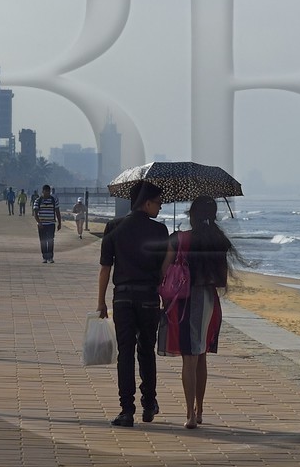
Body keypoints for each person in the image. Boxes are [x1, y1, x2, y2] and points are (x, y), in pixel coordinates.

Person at [157, 195, 238, 429]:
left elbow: (163, 271)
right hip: (209, 300)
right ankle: (199, 409)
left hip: (185, 300)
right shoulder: (218, 240)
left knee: (189, 357)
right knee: (201, 354)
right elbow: (220, 278)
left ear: (192, 215)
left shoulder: (180, 239)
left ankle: (190, 414)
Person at [97, 181, 169, 427]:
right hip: (148, 297)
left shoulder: (113, 227)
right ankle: (149, 403)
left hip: (123, 298)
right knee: (146, 350)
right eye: (158, 203)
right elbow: (164, 270)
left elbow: (105, 268)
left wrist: (101, 302)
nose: (160, 207)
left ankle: (126, 410)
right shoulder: (160, 230)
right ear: (146, 203)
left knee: (125, 353)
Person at [31, 184, 62, 262]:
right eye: (46, 192)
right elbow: (35, 213)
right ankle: (45, 257)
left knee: (50, 240)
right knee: (43, 241)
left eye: (48, 192)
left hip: (51, 223)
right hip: (42, 224)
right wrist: (39, 222)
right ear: (42, 191)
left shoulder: (53, 200)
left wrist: (59, 223)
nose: (47, 193)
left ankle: (50, 257)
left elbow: (57, 212)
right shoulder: (38, 201)